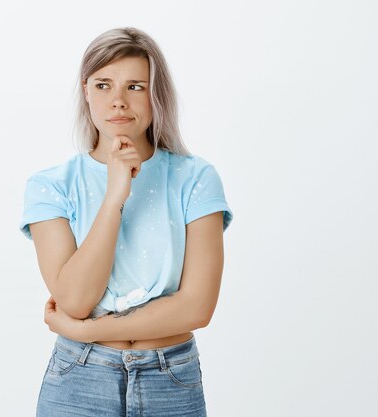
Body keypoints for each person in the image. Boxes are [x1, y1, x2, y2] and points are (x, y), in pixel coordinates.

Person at [18, 27, 233, 417]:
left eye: (135, 87)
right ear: (85, 91)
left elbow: (197, 307)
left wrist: (88, 331)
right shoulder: (50, 186)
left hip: (170, 380)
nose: (118, 101)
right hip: (78, 381)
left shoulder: (195, 178)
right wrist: (115, 194)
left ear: (156, 95)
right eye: (103, 85)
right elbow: (75, 300)